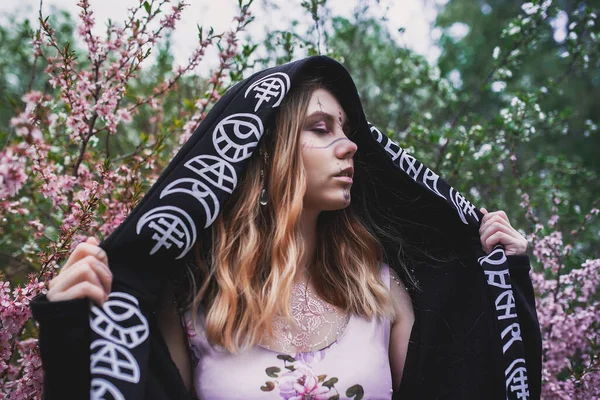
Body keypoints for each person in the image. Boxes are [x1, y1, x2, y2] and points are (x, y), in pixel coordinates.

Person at [31, 56, 540, 400]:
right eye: (321, 129)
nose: (349, 145)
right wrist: (72, 332)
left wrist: (505, 285)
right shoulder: (192, 305)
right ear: (265, 152)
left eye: (346, 129)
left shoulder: (381, 291)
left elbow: (463, 383)